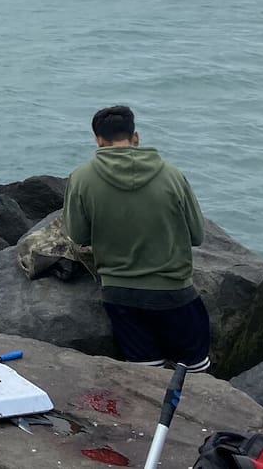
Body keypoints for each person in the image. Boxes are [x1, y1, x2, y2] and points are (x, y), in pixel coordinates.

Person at [63, 105, 210, 373]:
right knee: (196, 376)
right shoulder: (172, 175)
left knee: (147, 377)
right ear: (136, 137)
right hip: (174, 293)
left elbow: (78, 236)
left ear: (98, 140)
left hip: (120, 295)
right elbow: (197, 235)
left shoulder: (81, 178)